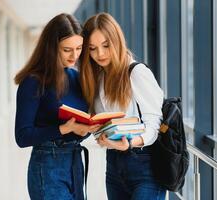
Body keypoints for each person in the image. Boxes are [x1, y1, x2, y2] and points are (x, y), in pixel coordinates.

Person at [79, 13, 166, 200]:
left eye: (106, 46)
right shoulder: (98, 78)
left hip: (145, 166)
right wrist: (100, 135)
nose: (100, 54)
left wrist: (130, 144)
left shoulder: (136, 72)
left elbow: (155, 123)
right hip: (114, 167)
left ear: (117, 41)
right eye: (92, 49)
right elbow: (105, 124)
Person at [14, 13, 100, 200]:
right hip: (47, 164)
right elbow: (22, 137)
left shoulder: (77, 78)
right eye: (67, 49)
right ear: (52, 48)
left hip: (75, 162)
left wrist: (85, 129)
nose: (74, 55)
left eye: (79, 48)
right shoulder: (33, 81)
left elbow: (79, 131)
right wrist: (64, 128)